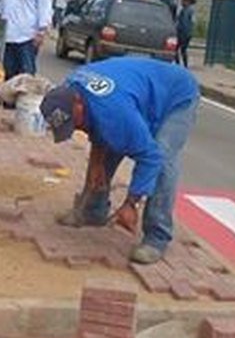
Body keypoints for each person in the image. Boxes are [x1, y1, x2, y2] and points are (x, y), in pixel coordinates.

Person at [40, 57, 200, 264]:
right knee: (110, 144)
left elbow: (150, 157)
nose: (76, 128)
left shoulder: (112, 111)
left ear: (78, 102)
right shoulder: (70, 88)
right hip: (135, 95)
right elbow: (94, 128)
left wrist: (130, 203)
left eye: (73, 122)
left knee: (162, 159)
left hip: (177, 96)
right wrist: (97, 163)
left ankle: (156, 237)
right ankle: (93, 211)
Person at [175, 0, 196, 67]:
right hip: (186, 33)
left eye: (183, 0)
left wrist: (181, 32)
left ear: (187, 1)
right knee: (182, 50)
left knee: (177, 50)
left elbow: (184, 23)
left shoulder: (187, 10)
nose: (181, 2)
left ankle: (180, 65)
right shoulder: (189, 10)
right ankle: (184, 65)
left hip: (183, 33)